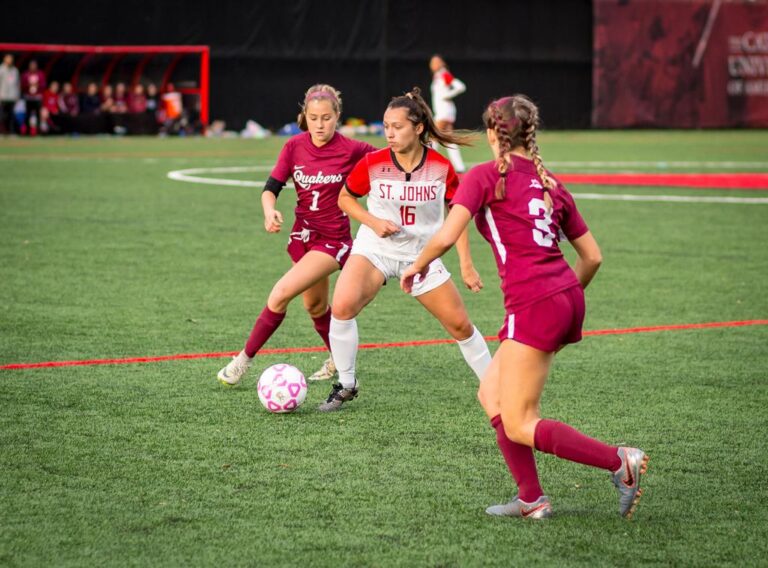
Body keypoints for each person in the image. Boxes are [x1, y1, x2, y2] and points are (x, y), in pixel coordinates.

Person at [401, 94, 648, 519]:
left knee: (519, 421)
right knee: (491, 393)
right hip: (563, 295)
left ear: (494, 133)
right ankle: (532, 498)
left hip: (536, 302)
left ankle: (619, 461)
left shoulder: (483, 176)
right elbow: (593, 257)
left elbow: (444, 236)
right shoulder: (550, 182)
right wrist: (565, 298)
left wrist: (414, 268)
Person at [319, 87, 491, 412]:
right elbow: (344, 198)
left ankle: (495, 386)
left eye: (397, 126)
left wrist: (466, 264)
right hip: (375, 249)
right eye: (386, 126)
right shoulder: (373, 162)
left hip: (422, 256)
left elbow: (460, 213)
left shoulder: (441, 167)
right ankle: (346, 383)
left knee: (460, 326)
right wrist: (371, 221)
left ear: (419, 127)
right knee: (341, 306)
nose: (390, 133)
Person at [217, 84, 378, 386]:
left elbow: (390, 161)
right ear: (305, 115)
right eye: (314, 117)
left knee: (280, 294)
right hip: (302, 237)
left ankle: (243, 361)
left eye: (327, 118)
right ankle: (339, 361)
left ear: (338, 116)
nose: (320, 124)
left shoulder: (353, 149)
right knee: (315, 307)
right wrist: (269, 211)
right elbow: (271, 188)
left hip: (333, 240)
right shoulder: (294, 146)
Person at [429, 55, 466, 174]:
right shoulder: (437, 76)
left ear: (441, 63)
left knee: (433, 136)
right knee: (449, 140)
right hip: (443, 111)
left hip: (444, 111)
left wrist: (447, 95)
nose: (433, 64)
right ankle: (460, 167)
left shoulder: (443, 74)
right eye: (432, 62)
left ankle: (428, 165)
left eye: (436, 62)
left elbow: (461, 86)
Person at [21, 60, 46, 136]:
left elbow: (43, 84)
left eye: (34, 65)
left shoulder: (40, 74)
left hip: (37, 98)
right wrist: (29, 85)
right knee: (28, 115)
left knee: (38, 115)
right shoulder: (25, 74)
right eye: (32, 65)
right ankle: (27, 132)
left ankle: (38, 131)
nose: (33, 67)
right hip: (28, 98)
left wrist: (37, 85)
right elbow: (22, 85)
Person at [0, 54, 20, 134]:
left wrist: (17, 95)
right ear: (4, 59)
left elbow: (17, 84)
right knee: (2, 116)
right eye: (8, 59)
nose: (9, 60)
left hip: (12, 97)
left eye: (11, 59)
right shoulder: (1, 70)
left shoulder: (15, 70)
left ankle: (11, 132)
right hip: (2, 96)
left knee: (11, 116)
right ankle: (1, 132)